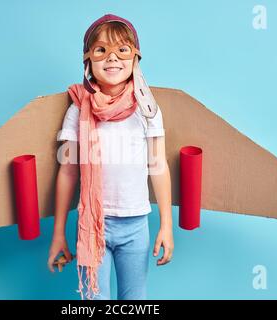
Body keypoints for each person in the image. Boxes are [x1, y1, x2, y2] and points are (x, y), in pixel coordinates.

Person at [47, 14, 174, 300]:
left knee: (135, 300)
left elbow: (158, 165)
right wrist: (58, 233)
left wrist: (166, 225)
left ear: (135, 59)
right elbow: (67, 172)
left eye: (122, 50)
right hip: (92, 225)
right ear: (88, 60)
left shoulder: (147, 109)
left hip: (135, 225)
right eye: (101, 50)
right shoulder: (78, 110)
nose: (112, 58)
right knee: (93, 299)